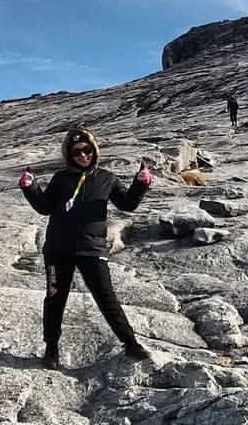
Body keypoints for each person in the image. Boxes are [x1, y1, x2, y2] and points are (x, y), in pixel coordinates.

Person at [19, 127, 153, 369]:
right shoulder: (61, 178)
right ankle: (51, 350)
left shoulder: (107, 178)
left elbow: (128, 204)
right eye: (76, 152)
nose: (82, 155)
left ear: (94, 150)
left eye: (87, 150)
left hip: (92, 249)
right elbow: (45, 207)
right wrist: (30, 188)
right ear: (69, 155)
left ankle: (131, 344)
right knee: (55, 299)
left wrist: (140, 184)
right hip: (58, 249)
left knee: (106, 298)